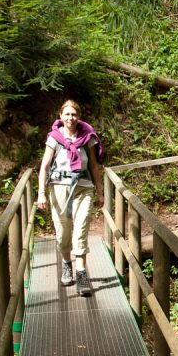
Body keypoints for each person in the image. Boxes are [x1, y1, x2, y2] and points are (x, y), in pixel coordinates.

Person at [36, 100, 103, 296]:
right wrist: (41, 193)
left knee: (80, 228)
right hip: (59, 188)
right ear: (60, 116)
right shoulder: (54, 138)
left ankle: (81, 274)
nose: (70, 118)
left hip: (83, 187)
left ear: (78, 116)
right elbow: (44, 167)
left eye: (73, 114)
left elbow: (93, 166)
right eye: (67, 114)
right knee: (63, 230)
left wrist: (99, 191)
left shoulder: (86, 137)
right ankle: (67, 264)